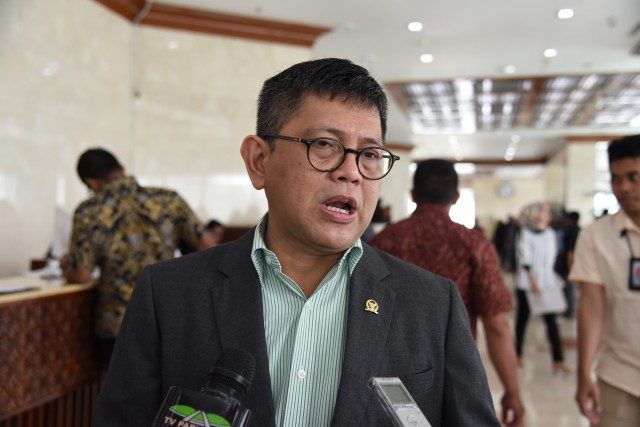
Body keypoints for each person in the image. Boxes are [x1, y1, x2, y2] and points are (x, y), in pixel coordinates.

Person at [92, 58, 501, 426]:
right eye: (324, 145)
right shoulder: (168, 294)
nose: (351, 172)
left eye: (370, 154)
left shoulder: (434, 305)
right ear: (259, 161)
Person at [369, 159, 524, 427]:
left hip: (388, 377)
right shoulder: (474, 244)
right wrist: (512, 392)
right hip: (456, 374)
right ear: (456, 197)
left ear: (413, 194)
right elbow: (497, 326)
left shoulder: (384, 241)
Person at [63, 148, 215, 370]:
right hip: (167, 316)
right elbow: (208, 248)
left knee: (121, 390)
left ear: (91, 182)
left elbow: (81, 274)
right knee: (169, 386)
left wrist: (67, 266)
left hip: (117, 323)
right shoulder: (169, 200)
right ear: (122, 169)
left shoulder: (88, 211)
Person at [570, 135, 640, 427]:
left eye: (634, 177)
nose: (624, 187)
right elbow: (592, 307)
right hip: (619, 377)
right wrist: (584, 372)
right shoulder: (596, 236)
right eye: (616, 178)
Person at [514, 201, 571, 376]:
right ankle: (517, 354)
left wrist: (549, 280)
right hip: (527, 285)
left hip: (546, 284)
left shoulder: (550, 233)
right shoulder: (525, 233)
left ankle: (558, 360)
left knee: (551, 323)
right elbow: (525, 260)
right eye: (542, 213)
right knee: (522, 321)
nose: (545, 216)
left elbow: (552, 258)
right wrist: (533, 283)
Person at [554, 211, 580, 318]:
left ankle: (569, 311)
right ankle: (568, 309)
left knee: (569, 289)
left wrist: (570, 268)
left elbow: (570, 252)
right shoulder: (576, 230)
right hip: (567, 264)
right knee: (567, 289)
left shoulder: (572, 232)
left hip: (568, 265)